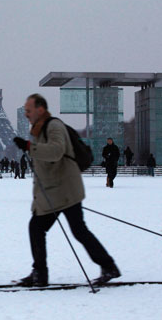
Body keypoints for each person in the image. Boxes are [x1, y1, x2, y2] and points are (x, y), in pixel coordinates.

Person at [13, 93, 120, 287]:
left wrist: (29, 146)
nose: (26, 114)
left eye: (29, 110)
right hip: (54, 192)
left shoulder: (54, 126)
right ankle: (42, 273)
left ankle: (107, 266)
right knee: (45, 228)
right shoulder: (39, 130)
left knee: (68, 230)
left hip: (65, 190)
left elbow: (56, 151)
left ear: (40, 109)